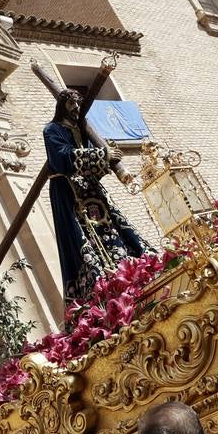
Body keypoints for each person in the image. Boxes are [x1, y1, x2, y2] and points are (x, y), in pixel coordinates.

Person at [44, 89, 148, 301]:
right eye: (72, 104)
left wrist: (107, 159)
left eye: (78, 104)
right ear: (62, 106)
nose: (76, 109)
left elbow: (95, 168)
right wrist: (101, 155)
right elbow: (61, 157)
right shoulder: (51, 130)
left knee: (113, 225)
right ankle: (99, 287)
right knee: (82, 234)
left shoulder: (82, 129)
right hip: (68, 191)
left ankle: (129, 267)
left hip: (92, 190)